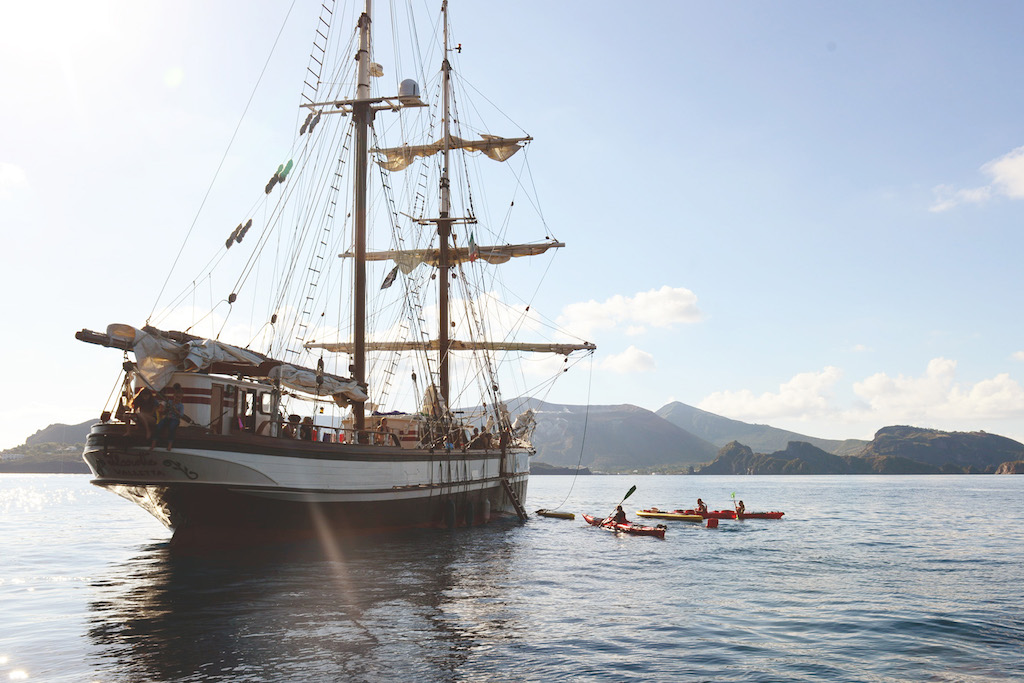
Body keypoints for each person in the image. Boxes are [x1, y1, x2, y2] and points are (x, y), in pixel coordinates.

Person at [152, 384, 185, 451]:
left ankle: (170, 444)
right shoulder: (169, 402)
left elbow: (181, 415)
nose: (177, 399)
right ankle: (154, 442)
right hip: (167, 417)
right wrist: (167, 408)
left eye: (179, 398)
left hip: (175, 419)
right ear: (174, 396)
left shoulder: (181, 406)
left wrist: (175, 410)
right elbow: (164, 412)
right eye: (176, 397)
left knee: (171, 427)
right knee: (159, 425)